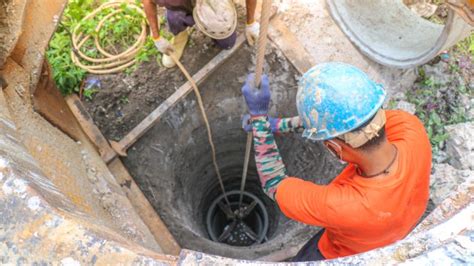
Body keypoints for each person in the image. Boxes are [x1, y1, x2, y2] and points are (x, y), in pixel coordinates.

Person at [241, 62, 432, 261]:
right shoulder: (410, 128)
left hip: (345, 255)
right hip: (397, 229)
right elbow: (349, 122)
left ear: (333, 148)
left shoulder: (342, 206)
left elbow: (273, 182)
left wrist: (259, 119)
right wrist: (277, 125)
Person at [143, 0, 259, 68]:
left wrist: (250, 22)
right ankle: (180, 36)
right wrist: (156, 37)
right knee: (174, 17)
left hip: (212, 5)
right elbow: (148, 1)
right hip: (180, 5)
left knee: (227, 43)